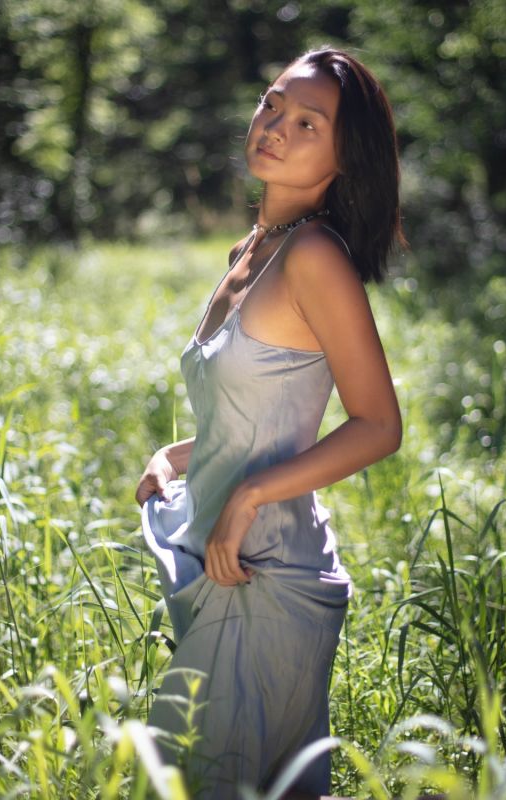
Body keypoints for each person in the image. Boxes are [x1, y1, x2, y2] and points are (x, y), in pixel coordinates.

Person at [135, 46, 404, 799]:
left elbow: (379, 425)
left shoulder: (315, 257)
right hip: (218, 556)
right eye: (271, 104)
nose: (275, 125)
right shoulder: (251, 250)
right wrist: (172, 456)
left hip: (267, 575)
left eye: (307, 121)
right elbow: (253, 411)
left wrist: (249, 498)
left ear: (345, 157)